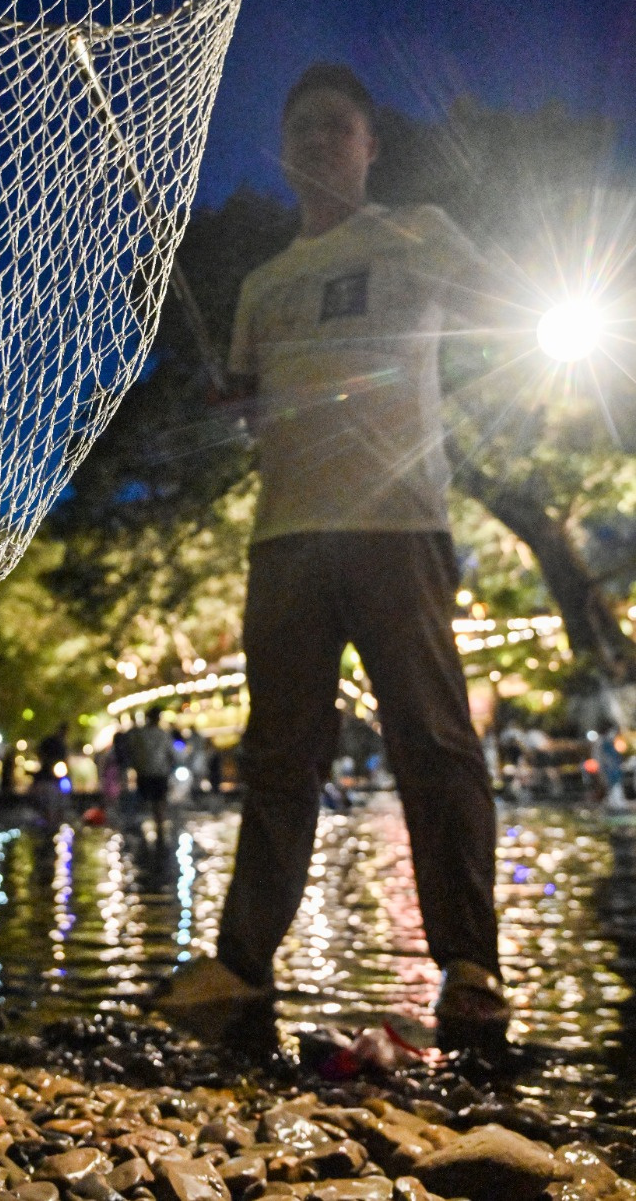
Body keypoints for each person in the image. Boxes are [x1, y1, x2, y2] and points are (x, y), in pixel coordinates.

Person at [153, 63, 510, 1049]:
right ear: (283, 146)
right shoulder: (262, 284)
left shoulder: (419, 232)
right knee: (279, 754)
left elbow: (498, 303)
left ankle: (469, 962)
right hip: (285, 540)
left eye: (337, 125)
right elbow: (252, 406)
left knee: (432, 740)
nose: (318, 139)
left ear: (369, 144)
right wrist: (238, 408)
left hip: (400, 525)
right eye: (301, 125)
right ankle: (240, 959)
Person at [129, 706, 176, 836]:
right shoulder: (164, 734)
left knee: (144, 801)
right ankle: (159, 830)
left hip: (144, 772)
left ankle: (142, 833)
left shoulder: (140, 734)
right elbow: (171, 754)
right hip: (160, 772)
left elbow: (133, 753)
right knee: (159, 803)